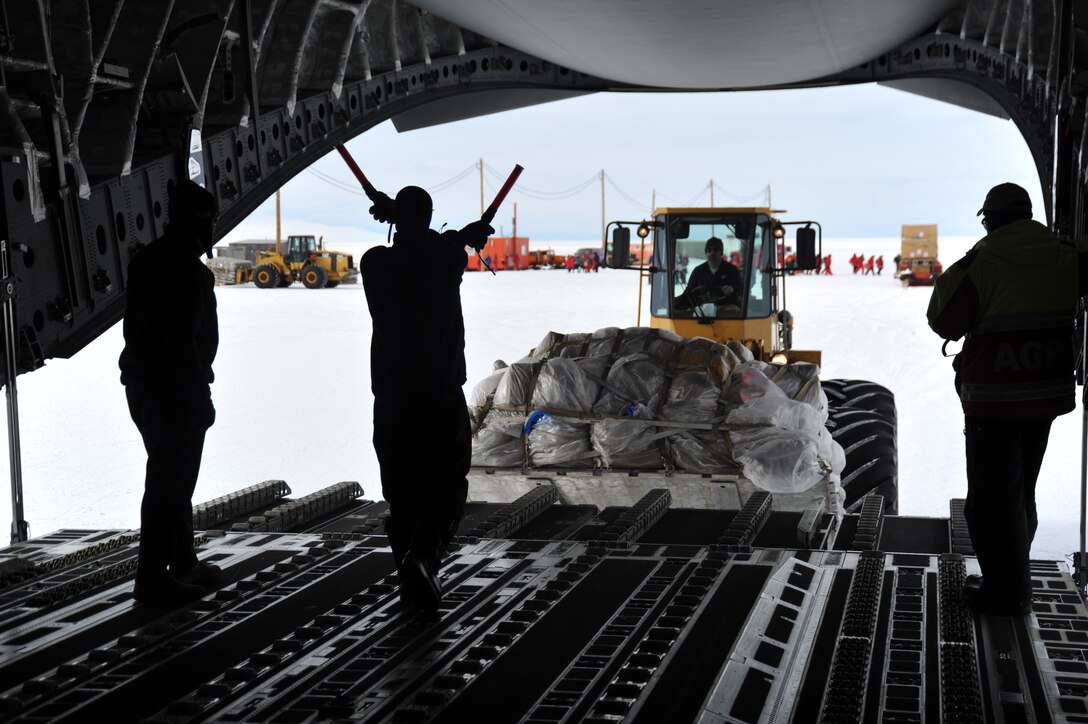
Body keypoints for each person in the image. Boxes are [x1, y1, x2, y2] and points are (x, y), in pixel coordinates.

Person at [927, 182, 1085, 616]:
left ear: (991, 218)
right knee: (1019, 493)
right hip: (1044, 398)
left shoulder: (983, 263)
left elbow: (941, 320)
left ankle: (1007, 592)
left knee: (991, 501)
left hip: (993, 404)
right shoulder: (1064, 256)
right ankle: (1010, 577)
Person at [361, 186, 492, 611]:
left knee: (402, 491)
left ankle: (409, 573)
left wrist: (399, 218)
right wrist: (459, 234)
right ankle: (423, 558)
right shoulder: (445, 258)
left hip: (393, 400)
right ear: (429, 217)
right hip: (438, 397)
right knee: (446, 483)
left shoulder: (375, 264)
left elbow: (419, 245)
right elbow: (444, 247)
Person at [119, 179, 222, 605]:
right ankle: (153, 577)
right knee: (169, 482)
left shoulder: (149, 260)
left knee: (171, 477)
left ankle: (181, 562)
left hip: (146, 387)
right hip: (175, 391)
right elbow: (182, 344)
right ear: (200, 224)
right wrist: (199, 397)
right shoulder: (187, 273)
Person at [675, 236, 743, 311]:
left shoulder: (732, 270)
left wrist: (733, 289)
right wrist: (673, 302)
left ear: (721, 252)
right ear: (706, 252)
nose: (712, 253)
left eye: (716, 250)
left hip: (726, 313)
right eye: (709, 250)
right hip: (702, 313)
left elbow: (741, 292)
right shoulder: (698, 271)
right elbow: (688, 295)